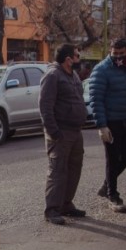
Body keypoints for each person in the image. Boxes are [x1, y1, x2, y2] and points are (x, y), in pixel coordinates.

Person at [88, 38, 126, 213]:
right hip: (111, 122)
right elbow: (96, 99)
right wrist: (102, 125)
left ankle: (107, 185)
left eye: (122, 54)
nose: (119, 57)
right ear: (110, 52)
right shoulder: (101, 70)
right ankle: (112, 195)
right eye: (115, 54)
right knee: (112, 159)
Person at [39, 43, 88, 225]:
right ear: (69, 59)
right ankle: (52, 210)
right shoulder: (53, 76)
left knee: (74, 169)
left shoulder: (73, 75)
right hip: (61, 132)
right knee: (57, 170)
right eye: (77, 56)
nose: (78, 59)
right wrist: (54, 132)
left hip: (75, 131)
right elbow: (45, 106)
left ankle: (66, 204)